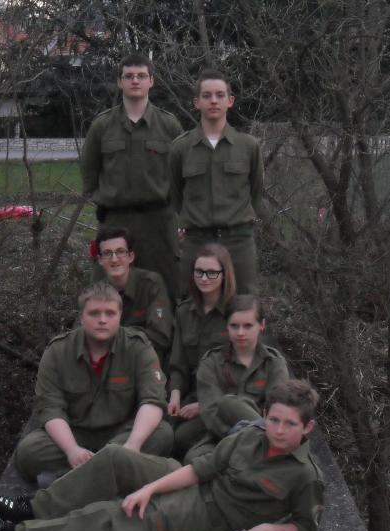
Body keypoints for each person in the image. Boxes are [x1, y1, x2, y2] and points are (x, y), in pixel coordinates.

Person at [0, 379, 324, 531]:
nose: (278, 430)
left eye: (290, 424)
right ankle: (29, 508)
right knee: (115, 458)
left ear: (307, 427)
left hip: (207, 515)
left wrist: (268, 529)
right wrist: (150, 487)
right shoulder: (250, 437)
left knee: (111, 516)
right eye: (273, 419)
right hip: (195, 484)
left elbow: (307, 527)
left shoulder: (304, 475)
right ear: (264, 415)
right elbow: (200, 469)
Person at [13, 282, 174, 482]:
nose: (102, 320)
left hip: (122, 433)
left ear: (120, 315)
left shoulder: (138, 347)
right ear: (81, 317)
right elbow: (50, 408)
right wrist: (72, 450)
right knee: (29, 451)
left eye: (110, 313)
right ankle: (112, 473)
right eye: (94, 313)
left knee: (163, 434)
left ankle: (73, 479)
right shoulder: (57, 351)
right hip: (76, 434)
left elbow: (153, 400)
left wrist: (132, 445)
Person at [82, 53, 183, 301]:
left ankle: (162, 326)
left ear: (151, 81)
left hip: (159, 223)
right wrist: (105, 201)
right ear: (120, 82)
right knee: (106, 290)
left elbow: (182, 176)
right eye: (128, 76)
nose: (135, 81)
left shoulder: (169, 125)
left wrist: (179, 217)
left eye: (141, 76)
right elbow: (89, 174)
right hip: (115, 220)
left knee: (166, 288)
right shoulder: (102, 126)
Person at [170, 69, 264, 295]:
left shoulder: (248, 146)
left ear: (230, 101)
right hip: (196, 241)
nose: (213, 101)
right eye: (207, 95)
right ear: (197, 102)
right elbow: (175, 196)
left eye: (220, 95)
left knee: (243, 302)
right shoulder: (181, 148)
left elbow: (255, 192)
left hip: (238, 242)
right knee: (191, 303)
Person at [183, 295, 290, 463]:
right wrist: (234, 435)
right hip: (224, 434)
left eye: (248, 326)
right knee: (193, 459)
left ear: (261, 325)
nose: (240, 333)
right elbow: (210, 411)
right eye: (234, 326)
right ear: (227, 326)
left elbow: (277, 410)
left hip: (266, 437)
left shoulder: (274, 363)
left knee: (230, 404)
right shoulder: (211, 361)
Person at [167, 243, 236, 458]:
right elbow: (178, 363)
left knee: (181, 438)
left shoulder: (236, 314)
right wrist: (175, 395)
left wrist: (203, 405)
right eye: (199, 272)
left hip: (223, 399)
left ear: (225, 274)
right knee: (161, 429)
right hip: (189, 395)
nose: (204, 278)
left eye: (212, 273)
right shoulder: (184, 312)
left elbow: (243, 372)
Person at [93, 226, 173, 364]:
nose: (114, 259)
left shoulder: (151, 285)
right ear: (100, 260)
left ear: (131, 256)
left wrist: (112, 335)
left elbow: (160, 336)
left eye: (120, 252)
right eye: (107, 253)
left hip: (142, 361)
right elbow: (80, 333)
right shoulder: (96, 292)